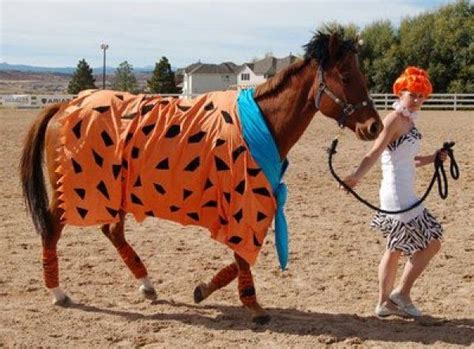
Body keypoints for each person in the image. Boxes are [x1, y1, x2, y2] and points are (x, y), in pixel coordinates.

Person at [343, 66, 448, 318]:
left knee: (396, 247)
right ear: (401, 92)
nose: (418, 100)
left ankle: (385, 302)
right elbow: (375, 152)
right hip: (397, 195)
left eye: (422, 96)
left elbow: (407, 159)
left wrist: (433, 158)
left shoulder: (409, 121)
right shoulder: (393, 119)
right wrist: (356, 176)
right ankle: (399, 294)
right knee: (431, 242)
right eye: (413, 94)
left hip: (403, 191)